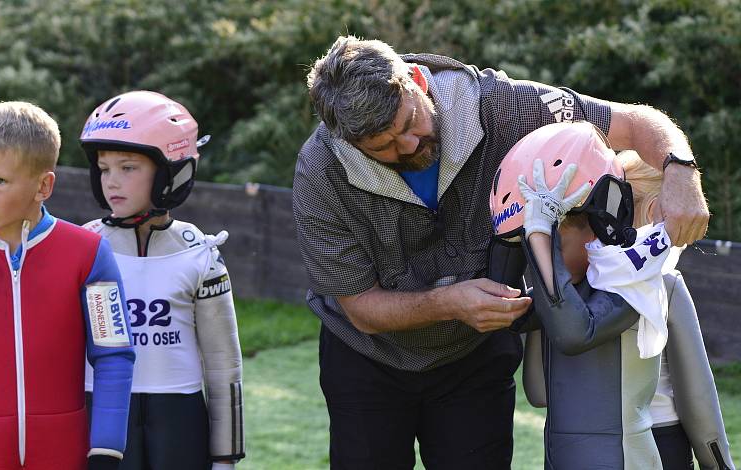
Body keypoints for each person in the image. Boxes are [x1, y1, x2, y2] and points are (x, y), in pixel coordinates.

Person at [293, 35, 709, 468]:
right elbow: (361, 307)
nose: (410, 147)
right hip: (365, 359)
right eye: (384, 148)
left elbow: (636, 123)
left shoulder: (502, 104)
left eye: (409, 123)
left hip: (476, 356)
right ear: (347, 142)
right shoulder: (320, 172)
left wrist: (681, 172)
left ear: (416, 79)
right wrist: (449, 303)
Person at [0, 102, 135, 470]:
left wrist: (106, 448)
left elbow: (113, 355)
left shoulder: (90, 254)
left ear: (43, 185)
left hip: (65, 454)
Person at [79, 91, 245, 470]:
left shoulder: (201, 254)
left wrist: (225, 459)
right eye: (104, 169)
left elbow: (224, 369)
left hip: (179, 423)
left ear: (171, 171)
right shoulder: (82, 249)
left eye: (128, 168)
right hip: (100, 417)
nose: (112, 182)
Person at [493, 121, 668, 469]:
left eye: (556, 240)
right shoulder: (572, 288)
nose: (547, 255)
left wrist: (539, 235)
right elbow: (538, 390)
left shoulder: (633, 276)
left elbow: (574, 333)